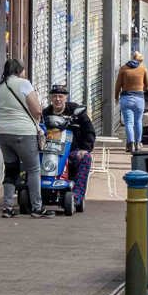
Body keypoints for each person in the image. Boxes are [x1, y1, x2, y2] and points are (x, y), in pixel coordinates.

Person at [0, 59, 52, 219]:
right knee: (33, 169)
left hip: (2, 132)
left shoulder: (0, 87)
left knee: (11, 169)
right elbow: (37, 110)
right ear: (19, 70)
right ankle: (37, 207)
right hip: (23, 131)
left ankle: (7, 208)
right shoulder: (24, 83)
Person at [43, 84, 95, 212]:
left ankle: (76, 196)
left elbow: (89, 131)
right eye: (54, 96)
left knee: (86, 158)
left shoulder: (75, 111)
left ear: (66, 97)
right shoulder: (45, 113)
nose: (57, 99)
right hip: (48, 153)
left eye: (60, 96)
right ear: (51, 98)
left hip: (71, 152)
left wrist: (85, 149)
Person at [115, 51, 148, 153]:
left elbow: (118, 85)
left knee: (129, 123)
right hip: (139, 99)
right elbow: (146, 84)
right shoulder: (143, 69)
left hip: (126, 98)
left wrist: (116, 96)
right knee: (138, 121)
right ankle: (138, 143)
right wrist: (141, 90)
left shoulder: (123, 68)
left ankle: (130, 144)